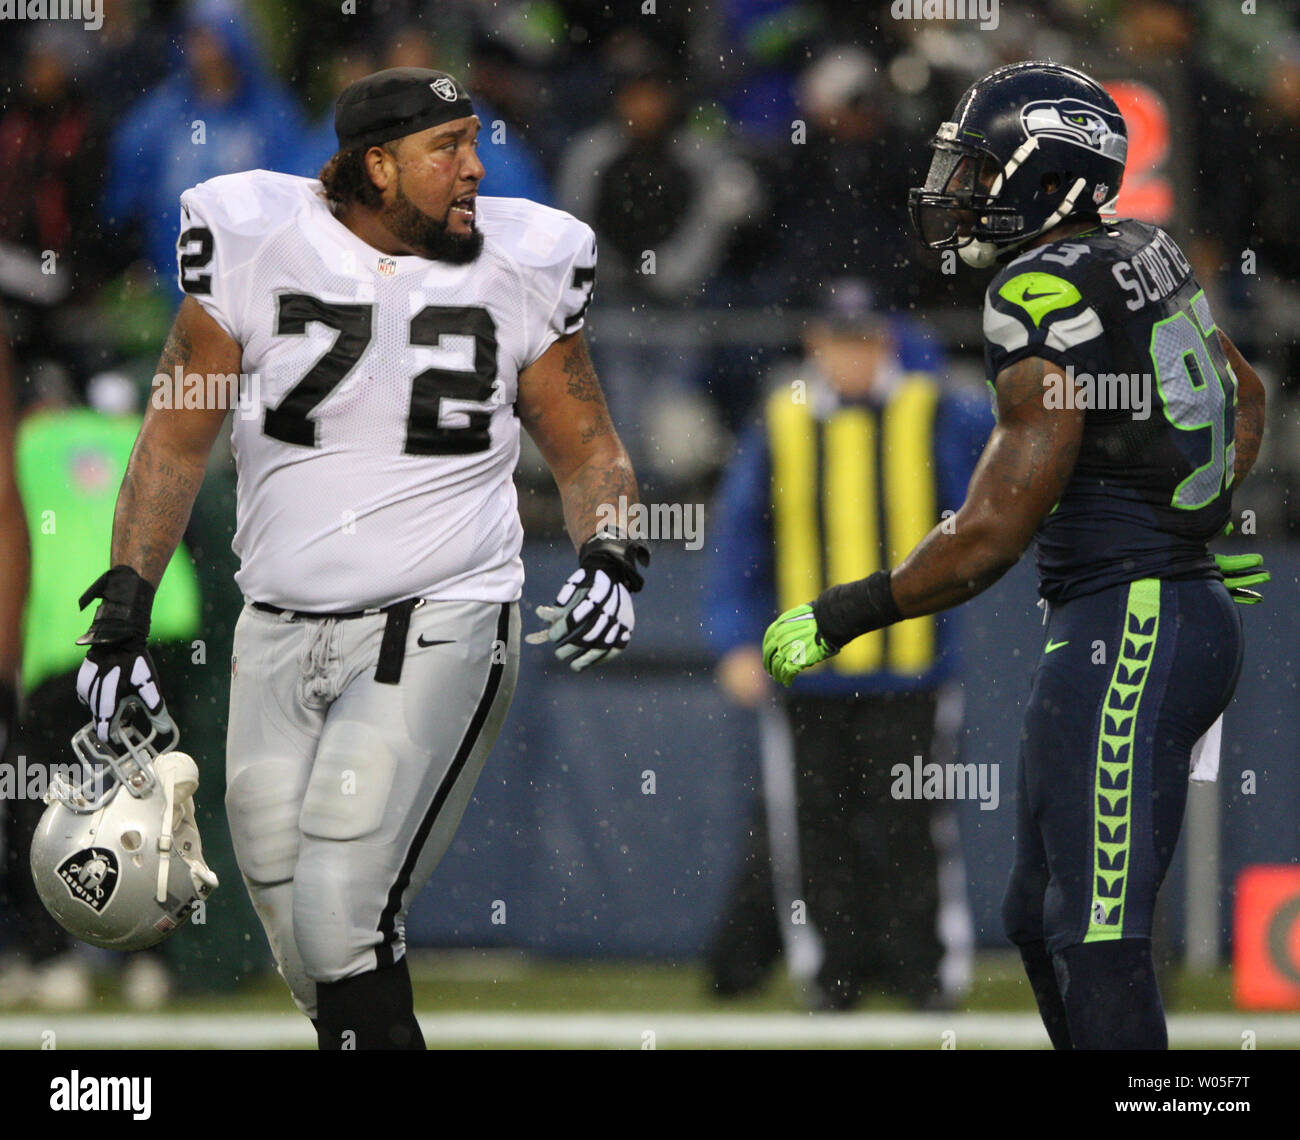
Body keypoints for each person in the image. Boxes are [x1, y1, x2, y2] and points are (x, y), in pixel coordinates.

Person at [69, 67, 647, 1050]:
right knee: (298, 926)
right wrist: (124, 602)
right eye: (447, 149)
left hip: (442, 614)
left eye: (473, 141)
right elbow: (175, 436)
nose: (475, 169)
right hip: (277, 623)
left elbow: (587, 443)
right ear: (375, 165)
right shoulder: (253, 236)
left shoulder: (524, 259)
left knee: (344, 904)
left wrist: (614, 553)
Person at [763, 61, 1268, 1049]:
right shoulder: (1142, 247)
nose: (962, 190)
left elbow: (989, 534)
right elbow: (1244, 396)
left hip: (1132, 621)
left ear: (1048, 178)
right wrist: (1192, 512)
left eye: (984, 169)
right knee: (1036, 918)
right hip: (1136, 612)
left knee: (1095, 932)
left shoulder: (1035, 289)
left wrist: (844, 612)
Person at [706, 281, 987, 1010]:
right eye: (839, 341)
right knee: (814, 831)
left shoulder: (937, 411)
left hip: (913, 666)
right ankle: (830, 978)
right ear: (815, 344)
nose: (853, 358)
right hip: (809, 672)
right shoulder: (782, 421)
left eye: (866, 341)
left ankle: (927, 976)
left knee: (913, 826)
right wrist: (737, 640)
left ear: (887, 343)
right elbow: (741, 541)